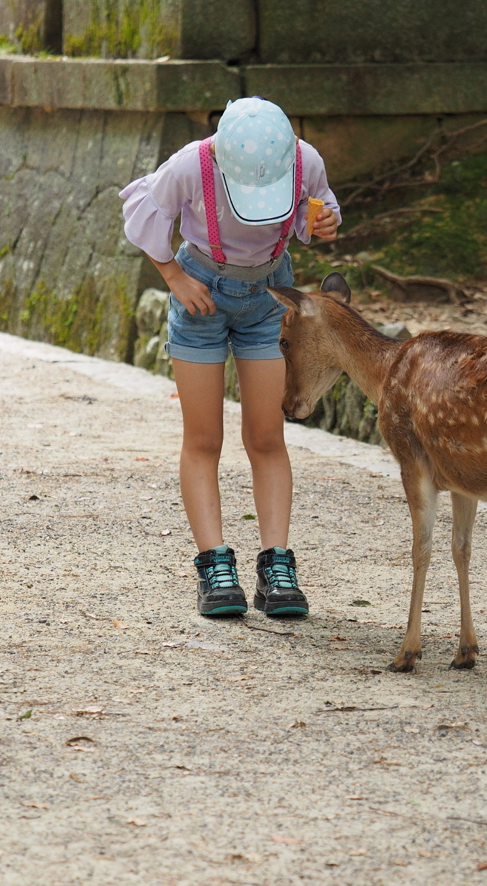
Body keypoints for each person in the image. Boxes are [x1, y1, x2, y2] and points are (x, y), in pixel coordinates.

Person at [120, 97, 340, 618]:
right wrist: (174, 276)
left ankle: (277, 564)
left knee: (267, 436)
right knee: (204, 439)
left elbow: (317, 213)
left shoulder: (303, 161)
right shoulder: (191, 165)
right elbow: (143, 212)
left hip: (271, 297)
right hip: (203, 298)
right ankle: (214, 564)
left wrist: (325, 224)